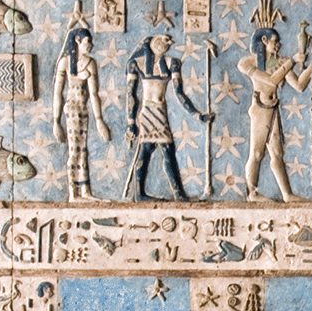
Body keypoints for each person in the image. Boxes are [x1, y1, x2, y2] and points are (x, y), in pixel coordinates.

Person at [125, 34, 213, 202]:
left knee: (166, 152)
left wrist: (197, 114)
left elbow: (180, 94)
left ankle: (178, 193)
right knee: (149, 150)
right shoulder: (136, 64)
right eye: (163, 42)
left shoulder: (172, 63)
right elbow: (131, 95)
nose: (167, 46)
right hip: (147, 113)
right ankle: (142, 193)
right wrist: (131, 123)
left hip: (161, 112)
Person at [237, 27, 312, 202]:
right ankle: (252, 193)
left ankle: (287, 194)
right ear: (264, 40)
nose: (278, 45)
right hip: (259, 109)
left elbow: (299, 85)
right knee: (257, 153)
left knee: (277, 154)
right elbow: (271, 80)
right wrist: (291, 61)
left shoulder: (280, 62)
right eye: (275, 41)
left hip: (272, 108)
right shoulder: (247, 62)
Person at [51, 28, 109, 201]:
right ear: (77, 40)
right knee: (74, 150)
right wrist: (55, 121)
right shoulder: (64, 62)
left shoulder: (90, 63)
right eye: (87, 42)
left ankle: (84, 191)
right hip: (71, 109)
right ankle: (72, 193)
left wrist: (99, 120)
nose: (91, 46)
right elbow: (57, 93)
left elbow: (94, 94)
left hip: (83, 111)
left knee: (82, 150)